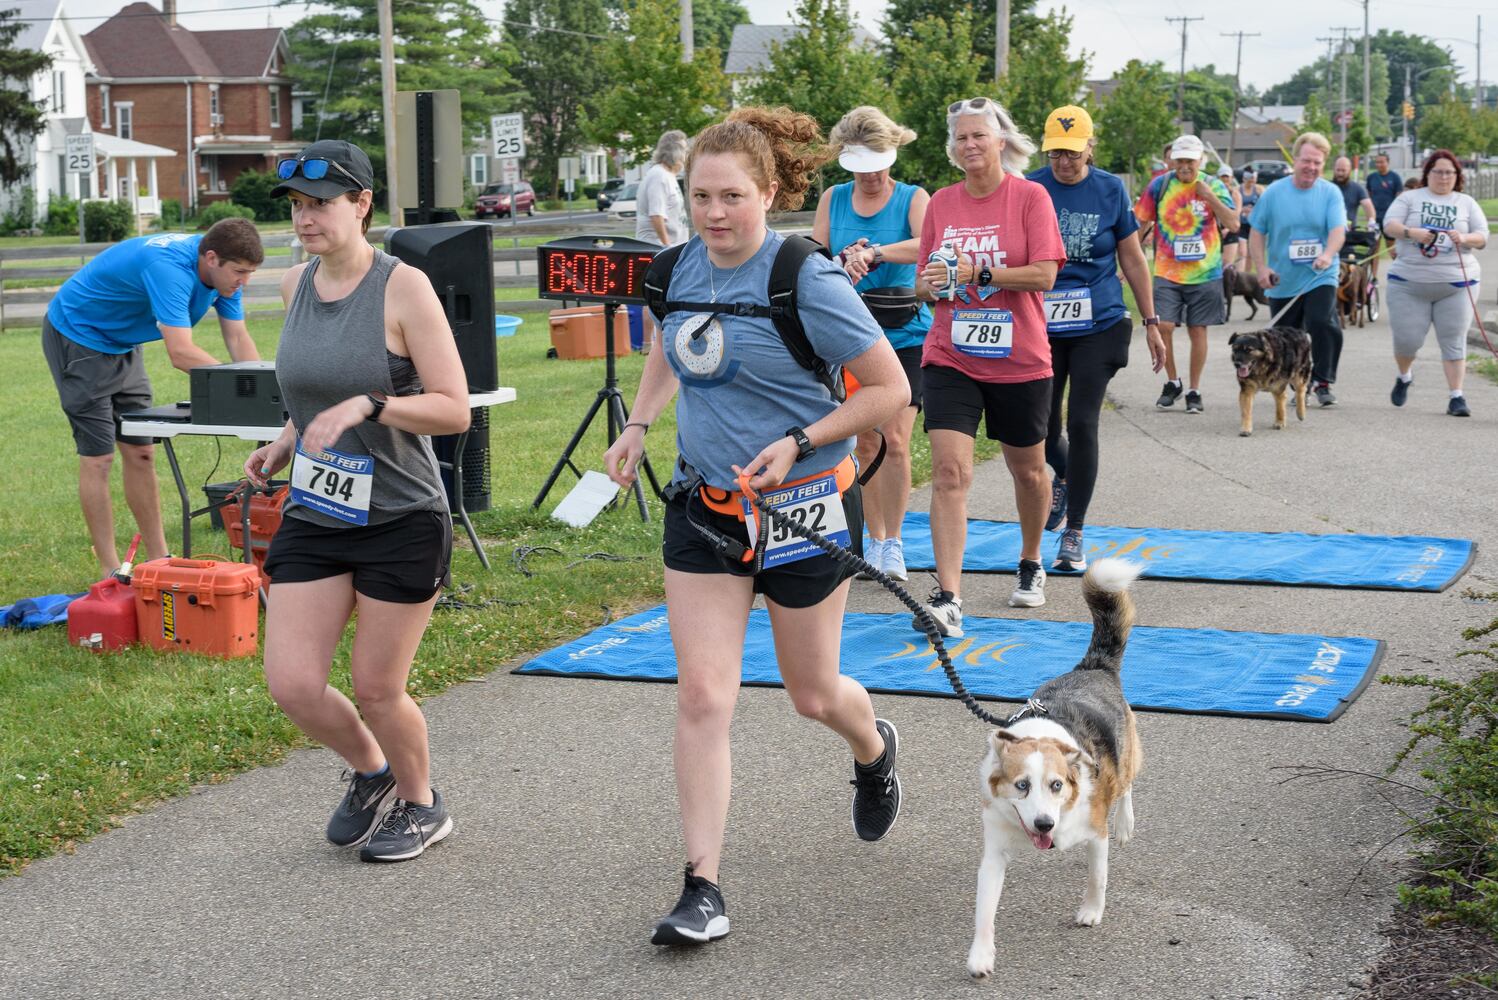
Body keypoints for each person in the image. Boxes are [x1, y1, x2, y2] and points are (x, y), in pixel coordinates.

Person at [602, 107, 909, 946]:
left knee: (812, 695)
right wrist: (638, 423)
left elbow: (887, 392)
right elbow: (672, 343)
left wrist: (800, 441)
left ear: (769, 193)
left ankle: (873, 746)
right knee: (704, 695)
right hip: (707, 510)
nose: (713, 213)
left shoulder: (805, 277)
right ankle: (702, 886)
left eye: (732, 196)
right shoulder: (673, 271)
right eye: (701, 195)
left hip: (805, 508)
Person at [243, 139, 471, 863]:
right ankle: (373, 774)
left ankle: (422, 803)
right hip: (317, 508)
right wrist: (285, 441)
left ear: (362, 204)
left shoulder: (403, 288)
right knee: (293, 683)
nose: (306, 219)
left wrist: (373, 406)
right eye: (299, 207)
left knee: (377, 686)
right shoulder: (293, 285)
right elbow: (313, 390)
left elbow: (454, 409)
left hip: (401, 514)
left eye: (322, 204)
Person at [913, 96, 1066, 630]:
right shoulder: (942, 203)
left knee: (1028, 471)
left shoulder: (1030, 197)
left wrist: (981, 273)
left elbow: (1045, 274)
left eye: (979, 135)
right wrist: (931, 283)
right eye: (961, 138)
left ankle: (1030, 562)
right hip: (950, 354)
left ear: (1001, 141)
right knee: (950, 472)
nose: (970, 145)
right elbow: (923, 280)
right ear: (952, 149)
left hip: (1019, 357)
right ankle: (948, 596)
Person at [42, 219, 263, 577]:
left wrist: (259, 388)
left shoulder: (226, 272)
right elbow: (181, 354)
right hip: (78, 335)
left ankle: (159, 558)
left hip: (123, 343)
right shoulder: (170, 270)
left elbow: (238, 339)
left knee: (142, 450)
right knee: (98, 458)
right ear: (211, 258)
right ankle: (110, 569)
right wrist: (239, 386)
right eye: (239, 272)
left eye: (250, 273)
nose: (244, 282)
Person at [1027, 105, 1166, 572]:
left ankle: (1075, 531)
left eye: (1072, 153)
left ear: (1090, 147)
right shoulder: (1030, 188)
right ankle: (1065, 476)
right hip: (1041, 324)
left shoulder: (1109, 189)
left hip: (1099, 322)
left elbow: (1132, 259)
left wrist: (1151, 322)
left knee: (1084, 422)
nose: (1064, 162)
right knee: (1041, 427)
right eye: (1055, 154)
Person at [813, 106, 931, 582]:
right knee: (863, 440)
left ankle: (894, 542)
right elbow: (815, 258)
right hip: (848, 337)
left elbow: (930, 243)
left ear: (893, 154)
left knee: (896, 441)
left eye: (877, 163)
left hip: (903, 333)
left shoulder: (912, 197)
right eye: (860, 166)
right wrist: (842, 259)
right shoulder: (834, 199)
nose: (870, 176)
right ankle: (872, 540)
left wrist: (876, 252)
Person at [1133, 134, 1239, 414]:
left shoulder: (1213, 184)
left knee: (1197, 330)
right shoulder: (1160, 185)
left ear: (1199, 161)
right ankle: (1173, 382)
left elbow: (1234, 223)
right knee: (1163, 325)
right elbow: (1140, 221)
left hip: (1205, 272)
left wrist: (1210, 197)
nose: (1184, 166)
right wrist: (1129, 259)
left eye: (1190, 161)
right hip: (1168, 271)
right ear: (1172, 160)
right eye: (1179, 160)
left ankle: (1194, 389)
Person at [1379, 149, 1488, 417]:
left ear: (1457, 176)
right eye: (1438, 172)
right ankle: (1404, 376)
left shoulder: (1466, 202)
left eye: (1449, 172)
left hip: (1457, 284)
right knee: (1407, 341)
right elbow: (1388, 224)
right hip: (1409, 283)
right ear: (1428, 174)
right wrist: (1410, 232)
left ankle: (1456, 397)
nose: (1443, 177)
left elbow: (1482, 236)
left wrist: (1464, 238)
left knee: (1453, 340)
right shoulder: (1410, 198)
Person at [1247, 132, 1346, 407]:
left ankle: (1322, 381)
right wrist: (1262, 267)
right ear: (1295, 159)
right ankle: (1297, 384)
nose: (1311, 168)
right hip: (1283, 278)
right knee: (1286, 335)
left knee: (1321, 321)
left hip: (1320, 273)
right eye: (1307, 161)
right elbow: (1257, 232)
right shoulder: (1275, 193)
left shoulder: (1330, 193)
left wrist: (1327, 254)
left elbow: (1338, 231)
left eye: (1318, 163)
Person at [636, 129, 689, 248]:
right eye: (685, 150)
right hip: (657, 248)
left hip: (671, 247)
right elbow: (656, 215)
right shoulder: (659, 176)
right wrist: (667, 246)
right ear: (675, 152)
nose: (687, 155)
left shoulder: (668, 175)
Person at [1332, 156, 1379, 263]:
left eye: (1343, 170)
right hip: (1327, 234)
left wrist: (1371, 224)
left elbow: (1368, 206)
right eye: (1338, 170)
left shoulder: (1357, 188)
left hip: (1348, 237)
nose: (1340, 173)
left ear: (1350, 170)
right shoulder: (1327, 187)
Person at [1365, 152, 1403, 277]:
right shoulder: (1371, 178)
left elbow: (1399, 200)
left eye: (1382, 162)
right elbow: (1368, 198)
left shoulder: (1395, 178)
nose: (1379, 164)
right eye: (1377, 162)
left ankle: (1399, 273)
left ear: (1387, 162)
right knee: (1374, 249)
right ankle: (1374, 278)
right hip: (1375, 219)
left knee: (1391, 248)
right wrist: (1370, 217)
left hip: (1389, 219)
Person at [1216, 164, 1244, 269]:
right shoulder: (1213, 192)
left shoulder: (1235, 194)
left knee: (1226, 265)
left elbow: (1237, 215)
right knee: (1215, 264)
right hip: (1215, 231)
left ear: (1231, 178)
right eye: (1223, 177)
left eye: (1227, 177)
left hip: (1230, 231)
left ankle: (1230, 284)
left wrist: (1226, 229)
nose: (1225, 180)